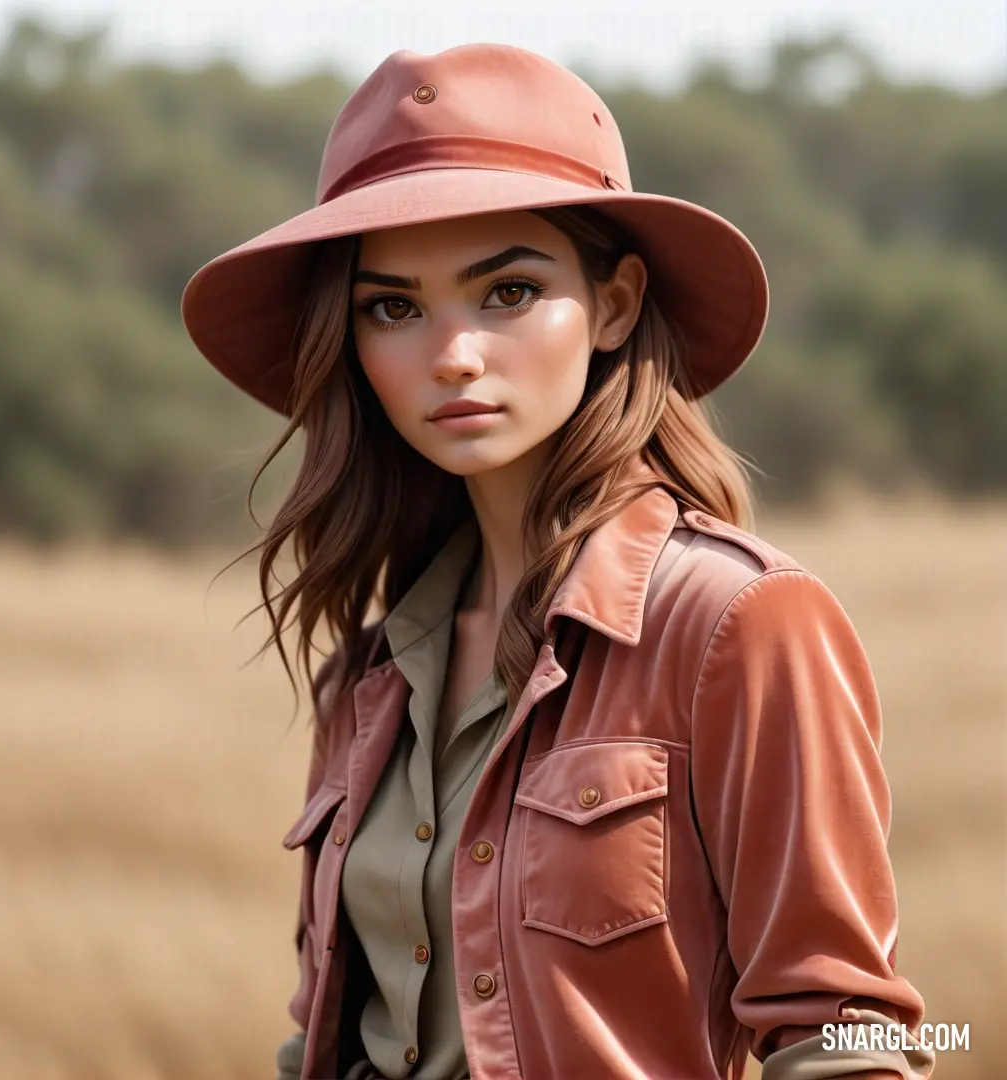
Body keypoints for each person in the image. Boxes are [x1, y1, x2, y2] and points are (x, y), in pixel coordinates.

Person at [181, 43, 935, 1080]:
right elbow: (323, 1038)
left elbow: (846, 1038)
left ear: (616, 305)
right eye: (393, 306)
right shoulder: (367, 679)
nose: (452, 353)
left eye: (506, 292)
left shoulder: (737, 623)